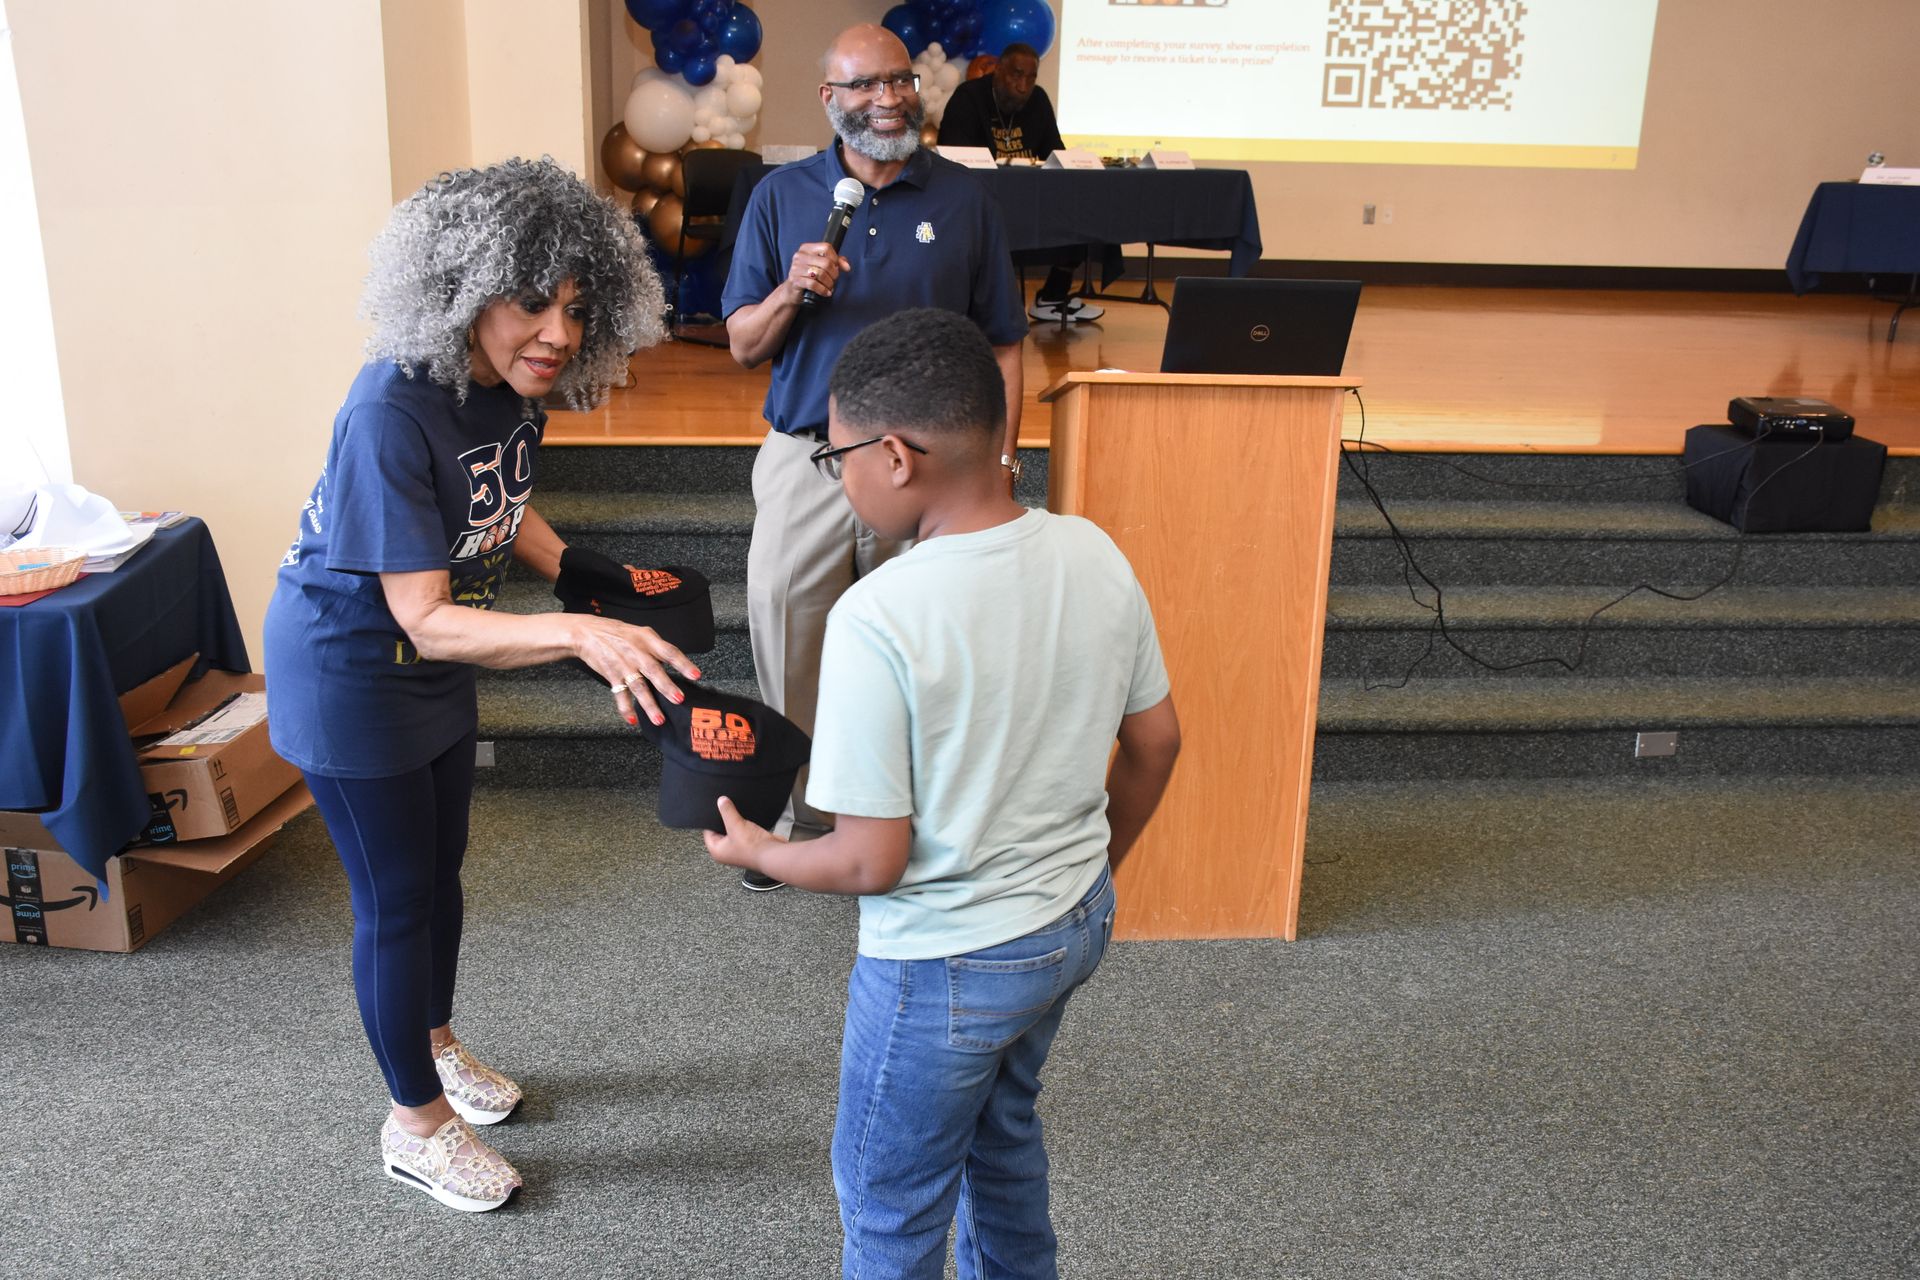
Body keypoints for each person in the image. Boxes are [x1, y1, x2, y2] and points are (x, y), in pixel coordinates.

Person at [704, 309, 1183, 1279]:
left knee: (890, 1205)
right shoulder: (1093, 550)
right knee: (1001, 1138)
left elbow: (869, 858)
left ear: (893, 456)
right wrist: (1087, 872)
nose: (836, 476)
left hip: (944, 960)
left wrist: (764, 853)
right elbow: (1157, 741)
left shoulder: (881, 614)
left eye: (835, 456)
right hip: (1070, 920)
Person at [263, 157, 701, 1213]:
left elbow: (496, 499)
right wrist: (577, 633)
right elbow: (419, 611)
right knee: (394, 899)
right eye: (532, 302)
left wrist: (579, 568)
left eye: (577, 308)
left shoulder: (506, 389)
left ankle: (433, 1043)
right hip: (352, 675)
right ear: (463, 288)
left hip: (435, 665)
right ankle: (413, 1125)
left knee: (442, 872)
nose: (557, 332)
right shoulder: (389, 410)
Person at [721, 23, 1029, 890]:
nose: (888, 98)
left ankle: (922, 821)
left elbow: (1005, 342)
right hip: (811, 460)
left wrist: (1000, 466)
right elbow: (743, 343)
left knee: (929, 651)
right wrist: (791, 289)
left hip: (931, 466)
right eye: (865, 85)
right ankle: (807, 822)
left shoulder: (965, 200)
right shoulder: (781, 196)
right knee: (791, 637)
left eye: (899, 80)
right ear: (830, 98)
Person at [936, 42, 1098, 324]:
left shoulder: (1038, 100)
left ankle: (1053, 296)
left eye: (1031, 78)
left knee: (1079, 208)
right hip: (981, 201)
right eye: (1016, 75)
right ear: (998, 70)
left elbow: (1055, 154)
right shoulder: (969, 97)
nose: (1023, 87)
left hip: (1028, 200)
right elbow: (953, 157)